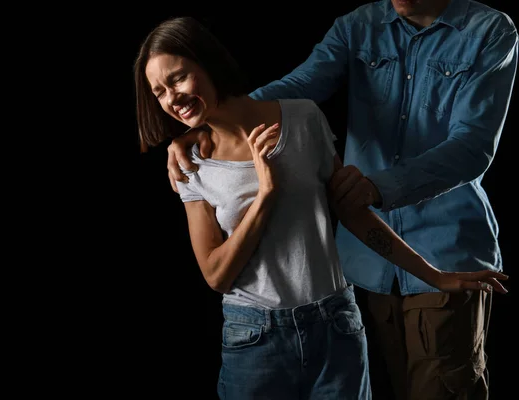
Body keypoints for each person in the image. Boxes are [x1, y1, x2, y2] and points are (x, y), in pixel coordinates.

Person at [135, 15, 509, 400]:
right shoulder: (191, 164)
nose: (171, 98)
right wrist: (265, 194)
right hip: (255, 338)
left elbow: (354, 213)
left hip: (337, 327)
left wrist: (435, 276)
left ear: (208, 63)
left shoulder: (302, 119)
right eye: (159, 91)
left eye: (178, 78)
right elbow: (215, 275)